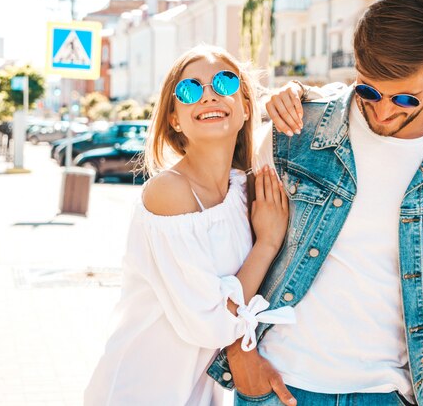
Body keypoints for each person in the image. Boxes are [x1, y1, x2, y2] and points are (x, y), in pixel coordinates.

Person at [208, 0, 423, 406]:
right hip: (279, 383)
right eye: (368, 91)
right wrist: (241, 356)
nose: (382, 112)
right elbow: (236, 253)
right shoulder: (297, 129)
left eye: (404, 99)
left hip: (388, 393)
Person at [84, 45, 295, 406]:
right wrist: (267, 244)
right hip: (140, 391)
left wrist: (298, 92)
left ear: (245, 107)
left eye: (225, 82)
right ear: (175, 119)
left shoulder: (244, 188)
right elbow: (211, 323)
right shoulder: (169, 192)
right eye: (190, 90)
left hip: (198, 392)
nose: (209, 94)